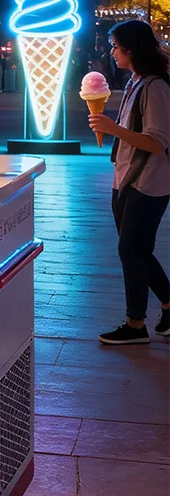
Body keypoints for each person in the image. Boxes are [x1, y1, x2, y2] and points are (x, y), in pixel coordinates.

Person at [89, 21, 170, 344]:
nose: (111, 52)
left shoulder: (155, 87)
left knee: (130, 249)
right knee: (136, 249)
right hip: (125, 178)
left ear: (131, 49)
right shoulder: (136, 81)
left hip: (148, 181)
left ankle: (135, 324)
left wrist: (111, 128)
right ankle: (167, 304)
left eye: (115, 46)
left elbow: (157, 141)